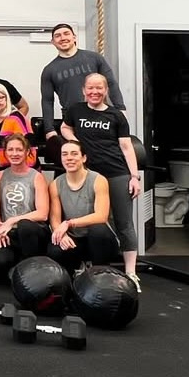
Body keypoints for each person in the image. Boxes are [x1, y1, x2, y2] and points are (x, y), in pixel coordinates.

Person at [61, 73, 142, 291]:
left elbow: (126, 147)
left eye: (99, 88)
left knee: (124, 223)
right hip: (88, 175)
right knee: (88, 222)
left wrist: (134, 177)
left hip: (116, 173)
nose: (94, 92)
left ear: (106, 90)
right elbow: (65, 127)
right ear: (84, 90)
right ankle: (87, 265)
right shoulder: (76, 110)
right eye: (90, 88)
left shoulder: (116, 115)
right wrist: (75, 141)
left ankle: (131, 272)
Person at [41, 23, 126, 140]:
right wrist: (49, 130)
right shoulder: (49, 70)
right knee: (77, 151)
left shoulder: (95, 58)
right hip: (72, 121)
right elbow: (47, 101)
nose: (63, 38)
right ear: (53, 42)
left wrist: (121, 109)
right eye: (58, 36)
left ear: (74, 37)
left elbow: (111, 83)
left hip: (100, 115)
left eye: (66, 34)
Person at [47, 139, 119, 276]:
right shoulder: (55, 184)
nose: (69, 158)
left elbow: (101, 216)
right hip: (75, 239)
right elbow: (55, 219)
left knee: (98, 230)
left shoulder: (98, 180)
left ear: (84, 158)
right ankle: (73, 274)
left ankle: (100, 274)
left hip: (99, 239)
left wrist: (69, 223)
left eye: (74, 154)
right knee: (54, 249)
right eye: (65, 154)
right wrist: (62, 234)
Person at [0, 134, 50, 275]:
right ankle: (16, 264)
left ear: (27, 152)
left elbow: (43, 214)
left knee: (24, 225)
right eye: (10, 150)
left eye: (19, 150)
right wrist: (0, 229)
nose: (14, 153)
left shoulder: (36, 177)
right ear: (5, 152)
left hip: (32, 232)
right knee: (0, 261)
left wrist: (12, 220)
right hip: (9, 232)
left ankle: (29, 268)